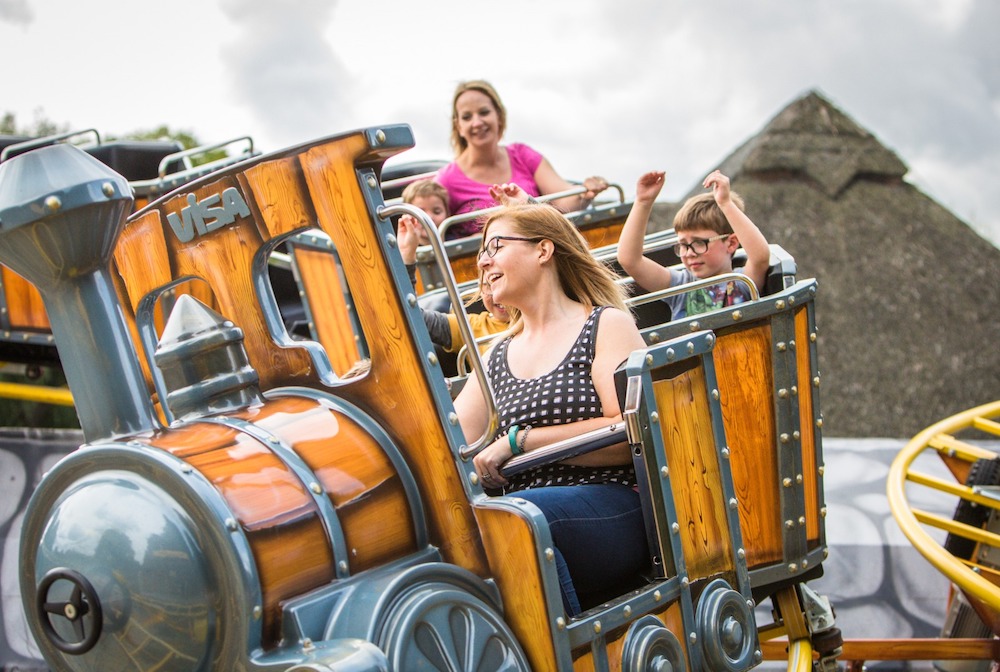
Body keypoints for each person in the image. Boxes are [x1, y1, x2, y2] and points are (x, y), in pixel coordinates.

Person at [453, 203, 650, 616]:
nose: (484, 260)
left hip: (612, 503)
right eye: (481, 254)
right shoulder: (495, 355)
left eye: (495, 246)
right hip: (523, 511)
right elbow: (451, 446)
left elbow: (629, 433)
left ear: (543, 250)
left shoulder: (604, 324)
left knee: (516, 523)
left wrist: (518, 442)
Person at [436, 79, 610, 239]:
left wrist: (585, 192)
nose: (477, 122)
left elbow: (563, 199)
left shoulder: (523, 155)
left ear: (499, 116)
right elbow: (432, 233)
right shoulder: (446, 180)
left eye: (484, 112)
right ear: (458, 126)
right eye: (467, 117)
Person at [616, 169, 771, 320]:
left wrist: (725, 203)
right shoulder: (681, 286)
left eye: (698, 243)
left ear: (731, 243)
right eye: (683, 245)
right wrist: (643, 202)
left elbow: (760, 257)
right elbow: (630, 260)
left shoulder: (743, 283)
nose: (689, 253)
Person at [396, 180, 510, 353]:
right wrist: (406, 257)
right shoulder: (471, 327)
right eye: (487, 284)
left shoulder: (545, 315)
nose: (496, 294)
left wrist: (524, 206)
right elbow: (409, 316)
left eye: (499, 279)